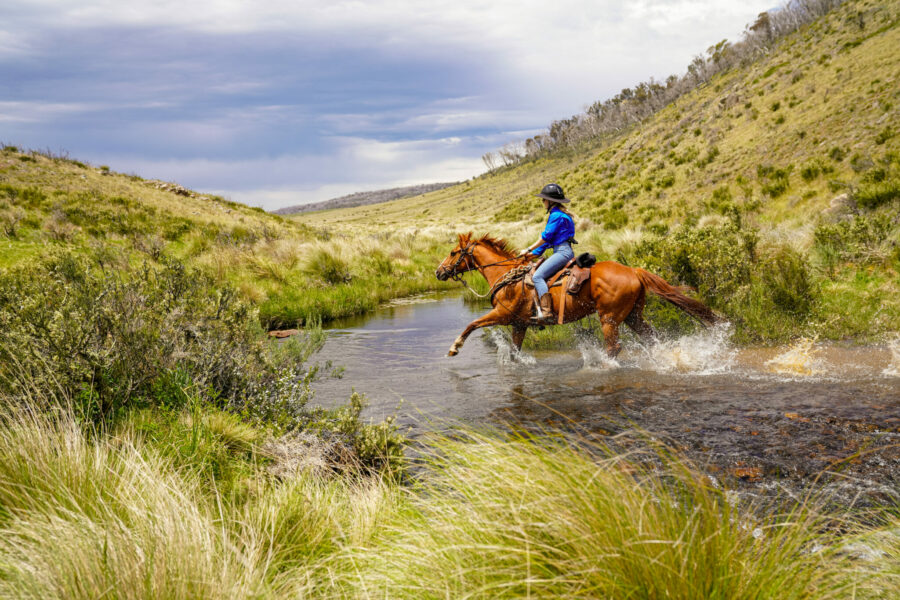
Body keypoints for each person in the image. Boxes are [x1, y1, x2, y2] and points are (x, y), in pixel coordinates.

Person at [519, 183, 576, 324]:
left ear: (550, 201)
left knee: (537, 276)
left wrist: (527, 249)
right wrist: (531, 254)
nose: (542, 202)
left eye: (543, 199)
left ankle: (546, 312)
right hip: (562, 250)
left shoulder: (556, 215)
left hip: (562, 252)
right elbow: (547, 242)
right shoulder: (559, 214)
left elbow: (545, 237)